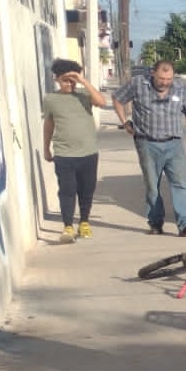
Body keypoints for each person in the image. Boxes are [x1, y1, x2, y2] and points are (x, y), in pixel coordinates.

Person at [113, 59, 186, 236]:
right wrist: (124, 122)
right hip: (147, 143)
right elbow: (117, 98)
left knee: (180, 184)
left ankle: (185, 223)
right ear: (153, 73)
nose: (165, 83)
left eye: (169, 79)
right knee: (153, 185)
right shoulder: (138, 84)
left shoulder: (181, 89)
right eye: (161, 78)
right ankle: (155, 222)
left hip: (174, 144)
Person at [41, 59, 110, 242]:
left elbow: (101, 102)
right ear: (57, 79)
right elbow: (48, 124)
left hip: (88, 153)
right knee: (67, 190)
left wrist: (84, 82)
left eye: (72, 80)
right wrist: (46, 148)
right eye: (65, 80)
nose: (69, 84)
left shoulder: (84, 96)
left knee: (87, 190)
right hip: (64, 154)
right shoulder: (50, 99)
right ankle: (68, 227)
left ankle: (85, 222)